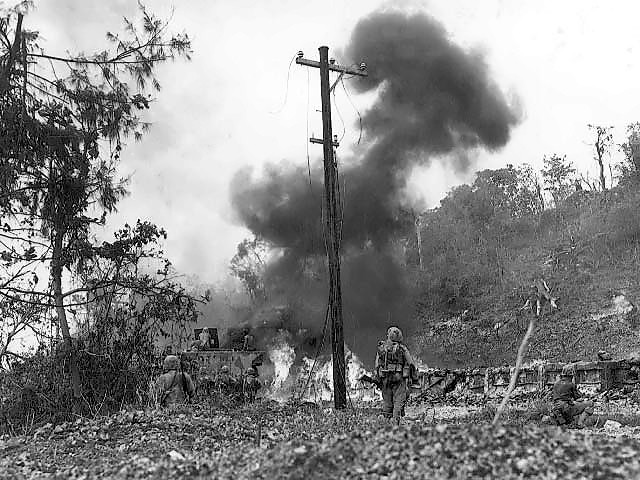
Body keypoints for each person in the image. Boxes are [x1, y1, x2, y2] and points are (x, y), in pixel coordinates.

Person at [374, 326, 417, 424]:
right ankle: (396, 422)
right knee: (398, 400)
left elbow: (377, 365)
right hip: (398, 379)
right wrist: (414, 378)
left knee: (387, 402)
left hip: (385, 379)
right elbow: (411, 364)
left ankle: (385, 422)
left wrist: (378, 378)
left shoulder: (382, 347)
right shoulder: (402, 349)